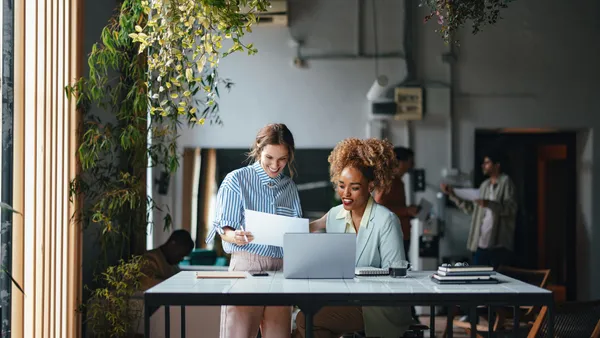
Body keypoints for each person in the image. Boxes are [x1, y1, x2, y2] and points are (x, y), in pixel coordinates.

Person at [295, 138, 414, 338]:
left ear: (371, 186)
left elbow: (397, 276)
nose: (346, 194)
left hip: (376, 305)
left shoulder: (386, 220)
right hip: (345, 299)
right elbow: (318, 236)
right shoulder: (335, 215)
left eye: (355, 187)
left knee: (305, 321)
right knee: (299, 330)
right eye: (341, 185)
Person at [205, 123, 303, 338]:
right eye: (269, 158)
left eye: (282, 159)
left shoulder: (290, 187)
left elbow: (295, 232)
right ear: (259, 148)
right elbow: (224, 228)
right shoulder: (236, 180)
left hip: (281, 270)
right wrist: (235, 236)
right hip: (246, 266)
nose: (275, 165)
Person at [440, 150, 517, 268]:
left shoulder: (506, 182)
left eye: (487, 162)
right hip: (480, 243)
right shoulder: (484, 185)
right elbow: (471, 209)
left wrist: (489, 204)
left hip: (498, 245)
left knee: (499, 280)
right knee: (478, 279)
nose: (483, 165)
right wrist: (453, 194)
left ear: (497, 165)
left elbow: (510, 209)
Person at [373, 146, 418, 259]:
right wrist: (406, 211)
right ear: (399, 162)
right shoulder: (388, 181)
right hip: (393, 236)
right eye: (410, 161)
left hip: (402, 234)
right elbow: (379, 208)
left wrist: (409, 211)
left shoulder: (398, 182)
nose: (412, 165)